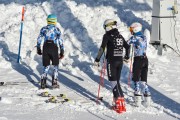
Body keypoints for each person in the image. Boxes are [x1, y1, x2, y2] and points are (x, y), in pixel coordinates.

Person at [94, 19, 130, 113]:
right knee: (117, 82)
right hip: (120, 61)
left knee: (113, 82)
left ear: (108, 26)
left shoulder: (107, 35)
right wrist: (126, 56)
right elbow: (127, 47)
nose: (105, 29)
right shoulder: (120, 36)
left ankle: (118, 105)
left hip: (112, 62)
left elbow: (102, 48)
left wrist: (97, 59)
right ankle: (121, 102)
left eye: (105, 27)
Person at [37, 14, 64, 89]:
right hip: (54, 48)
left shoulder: (43, 29)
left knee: (46, 65)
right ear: (55, 21)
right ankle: (54, 82)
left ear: (47, 21)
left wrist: (38, 48)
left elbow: (39, 39)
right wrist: (62, 50)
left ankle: (43, 81)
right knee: (55, 65)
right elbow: (60, 41)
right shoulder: (57, 30)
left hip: (45, 47)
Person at [128, 22, 151, 97]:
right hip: (145, 59)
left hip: (138, 60)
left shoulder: (134, 38)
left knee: (136, 77)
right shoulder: (144, 37)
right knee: (143, 79)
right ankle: (147, 92)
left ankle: (137, 92)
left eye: (131, 29)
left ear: (135, 29)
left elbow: (126, 44)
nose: (130, 30)